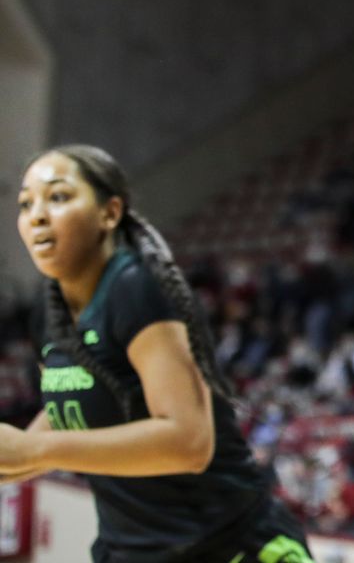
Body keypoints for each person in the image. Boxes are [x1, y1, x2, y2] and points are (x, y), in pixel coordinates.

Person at [0, 145, 314, 562]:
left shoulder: (135, 287)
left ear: (109, 213)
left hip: (230, 545)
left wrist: (39, 451)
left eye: (58, 197)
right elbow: (67, 413)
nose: (36, 215)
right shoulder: (47, 310)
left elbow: (189, 440)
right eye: (25, 204)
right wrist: (18, 452)